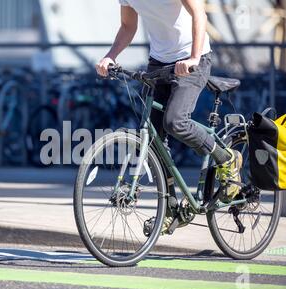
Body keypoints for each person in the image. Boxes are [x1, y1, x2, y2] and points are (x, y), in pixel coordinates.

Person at [96, 0, 242, 203]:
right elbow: (128, 26)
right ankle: (170, 205)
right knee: (155, 137)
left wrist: (194, 57)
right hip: (158, 62)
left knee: (175, 122)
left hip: (192, 59)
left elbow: (199, 14)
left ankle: (226, 158)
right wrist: (110, 56)